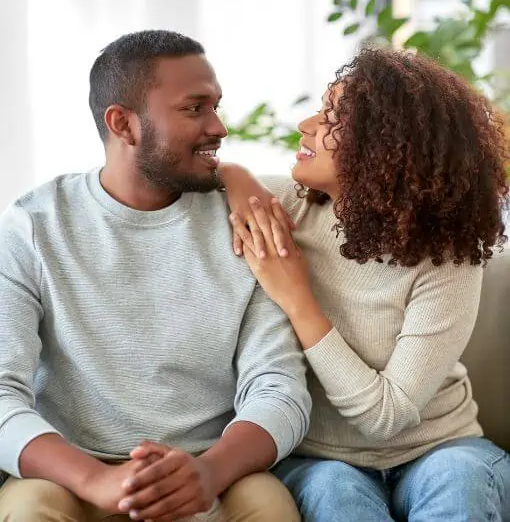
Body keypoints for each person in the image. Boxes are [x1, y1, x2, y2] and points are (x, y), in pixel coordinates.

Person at [0, 30, 310, 522]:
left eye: (217, 106)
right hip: (73, 473)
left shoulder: (243, 223)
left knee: (268, 505)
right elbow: (1, 391)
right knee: (29, 508)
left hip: (211, 469)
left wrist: (208, 472)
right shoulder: (34, 225)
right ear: (123, 123)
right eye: (195, 109)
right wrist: (94, 478)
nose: (219, 127)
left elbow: (279, 388)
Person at [222, 48, 510, 521]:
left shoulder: (447, 257)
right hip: (319, 460)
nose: (307, 124)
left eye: (332, 118)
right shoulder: (285, 210)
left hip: (442, 449)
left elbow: (389, 415)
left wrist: (298, 299)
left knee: (459, 481)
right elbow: (194, 174)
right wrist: (236, 176)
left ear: (384, 146)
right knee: (334, 491)